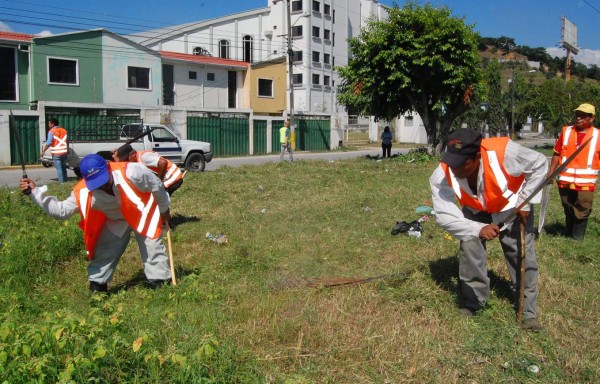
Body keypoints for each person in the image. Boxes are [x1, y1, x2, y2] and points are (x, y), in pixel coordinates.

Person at [429, 129, 548, 331]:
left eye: (461, 164)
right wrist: (477, 229)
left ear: (477, 157)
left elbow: (539, 163)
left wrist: (525, 202)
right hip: (476, 209)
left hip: (511, 206)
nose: (454, 169)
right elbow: (444, 214)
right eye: (451, 161)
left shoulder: (505, 152)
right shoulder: (443, 172)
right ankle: (474, 301)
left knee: (520, 253)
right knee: (469, 249)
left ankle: (528, 311)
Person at [20, 154, 172, 294]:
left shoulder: (132, 172)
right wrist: (35, 193)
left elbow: (156, 185)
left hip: (143, 212)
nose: (102, 187)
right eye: (96, 184)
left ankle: (161, 285)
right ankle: (98, 287)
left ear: (108, 167)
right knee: (105, 251)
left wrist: (164, 209)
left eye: (104, 181)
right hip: (116, 219)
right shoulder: (83, 192)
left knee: (152, 247)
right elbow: (61, 211)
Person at [547, 103, 600, 240]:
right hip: (565, 180)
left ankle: (577, 238)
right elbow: (557, 153)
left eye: (583, 116)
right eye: (577, 115)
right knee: (567, 206)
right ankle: (568, 232)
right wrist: (551, 173)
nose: (579, 118)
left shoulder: (597, 135)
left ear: (591, 118)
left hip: (585, 182)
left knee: (582, 208)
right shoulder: (567, 131)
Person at [112, 144, 184, 195]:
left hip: (172, 177)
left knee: (159, 198)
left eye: (127, 159)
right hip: (169, 178)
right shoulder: (136, 161)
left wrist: (158, 181)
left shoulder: (143, 157)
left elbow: (163, 163)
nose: (127, 161)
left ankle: (163, 215)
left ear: (133, 153)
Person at [40, 118, 68, 182]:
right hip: (64, 152)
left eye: (49, 123)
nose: (48, 125)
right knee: (63, 167)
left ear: (52, 124)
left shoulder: (51, 131)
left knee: (59, 168)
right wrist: (67, 151)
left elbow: (49, 142)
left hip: (56, 153)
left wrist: (43, 151)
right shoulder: (64, 130)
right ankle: (65, 181)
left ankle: (62, 183)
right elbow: (67, 141)